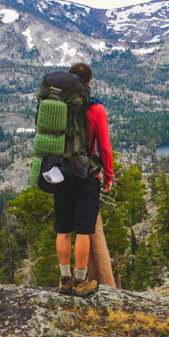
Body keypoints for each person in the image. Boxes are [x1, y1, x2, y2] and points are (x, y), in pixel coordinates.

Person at [55, 62, 113, 296]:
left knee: (63, 230)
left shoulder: (57, 106)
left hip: (59, 173)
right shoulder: (95, 109)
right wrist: (108, 175)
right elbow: (105, 148)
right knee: (83, 230)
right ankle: (81, 282)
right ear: (89, 82)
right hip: (85, 174)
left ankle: (64, 280)